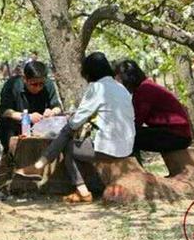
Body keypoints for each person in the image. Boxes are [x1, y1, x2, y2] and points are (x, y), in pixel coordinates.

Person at [20, 52, 136, 203]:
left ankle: (41, 163)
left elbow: (74, 123)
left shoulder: (97, 88)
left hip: (109, 149)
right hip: (127, 146)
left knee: (68, 140)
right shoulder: (120, 88)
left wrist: (74, 119)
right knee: (71, 143)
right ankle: (81, 191)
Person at [114, 59, 192, 162]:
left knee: (128, 136)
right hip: (176, 134)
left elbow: (136, 122)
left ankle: (133, 172)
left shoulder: (144, 90)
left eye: (117, 78)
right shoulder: (146, 86)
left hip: (176, 136)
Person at [0, 60, 62, 150]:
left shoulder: (48, 85)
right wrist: (27, 117)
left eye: (41, 84)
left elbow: (57, 107)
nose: (38, 88)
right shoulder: (12, 85)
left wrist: (52, 112)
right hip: (15, 128)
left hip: (41, 129)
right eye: (34, 84)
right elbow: (4, 111)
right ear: (25, 79)